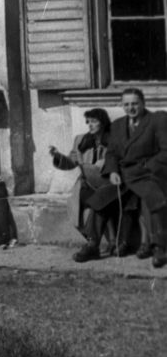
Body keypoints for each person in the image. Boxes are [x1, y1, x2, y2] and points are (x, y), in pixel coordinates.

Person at [85, 89, 167, 268]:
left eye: (135, 103)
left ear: (143, 103)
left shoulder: (157, 121)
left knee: (152, 199)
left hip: (147, 174)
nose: (131, 107)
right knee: (101, 198)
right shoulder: (117, 125)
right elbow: (112, 153)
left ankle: (160, 248)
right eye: (127, 104)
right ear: (122, 105)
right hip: (122, 176)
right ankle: (92, 244)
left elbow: (165, 151)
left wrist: (147, 168)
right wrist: (113, 171)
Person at [49, 108, 116, 261]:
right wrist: (58, 157)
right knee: (80, 209)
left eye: (94, 121)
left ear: (103, 122)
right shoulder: (81, 140)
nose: (90, 125)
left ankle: (93, 245)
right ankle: (107, 241)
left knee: (101, 200)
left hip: (109, 183)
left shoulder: (115, 139)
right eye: (88, 122)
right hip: (86, 184)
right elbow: (72, 162)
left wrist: (107, 160)